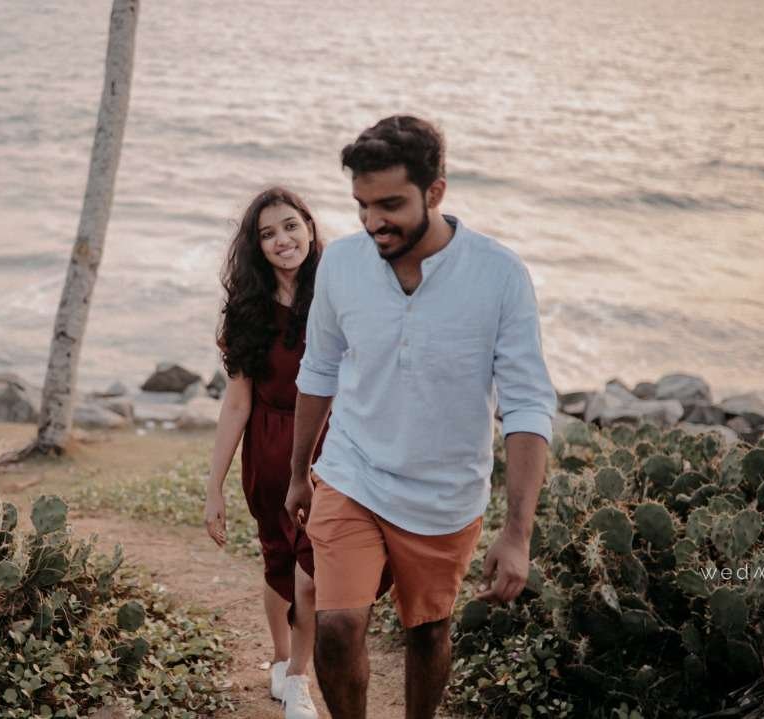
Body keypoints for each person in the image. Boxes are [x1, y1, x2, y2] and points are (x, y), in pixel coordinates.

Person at [284, 115, 557, 719]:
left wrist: (517, 534)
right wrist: (300, 472)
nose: (372, 222)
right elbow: (319, 369)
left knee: (428, 632)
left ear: (435, 191)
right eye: (361, 205)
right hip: (352, 471)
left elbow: (526, 405)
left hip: (443, 494)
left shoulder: (499, 275)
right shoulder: (342, 264)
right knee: (337, 626)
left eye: (390, 205)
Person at [205, 187, 323, 719]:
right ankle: (280, 659)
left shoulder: (336, 295)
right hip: (269, 448)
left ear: (310, 228)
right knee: (279, 557)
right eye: (268, 233)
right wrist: (214, 487)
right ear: (256, 246)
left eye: (291, 226)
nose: (283, 240)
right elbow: (236, 404)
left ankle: (299, 677)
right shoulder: (247, 311)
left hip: (328, 447)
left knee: (313, 564)